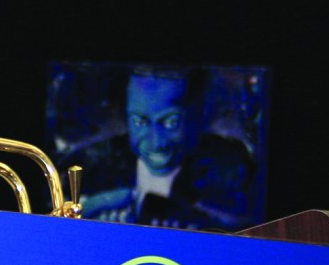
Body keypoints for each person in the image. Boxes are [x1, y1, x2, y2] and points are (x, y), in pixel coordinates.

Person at [65, 68, 257, 230]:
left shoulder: (231, 163)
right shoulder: (88, 165)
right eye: (140, 122)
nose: (156, 143)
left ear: (197, 114)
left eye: (171, 122)